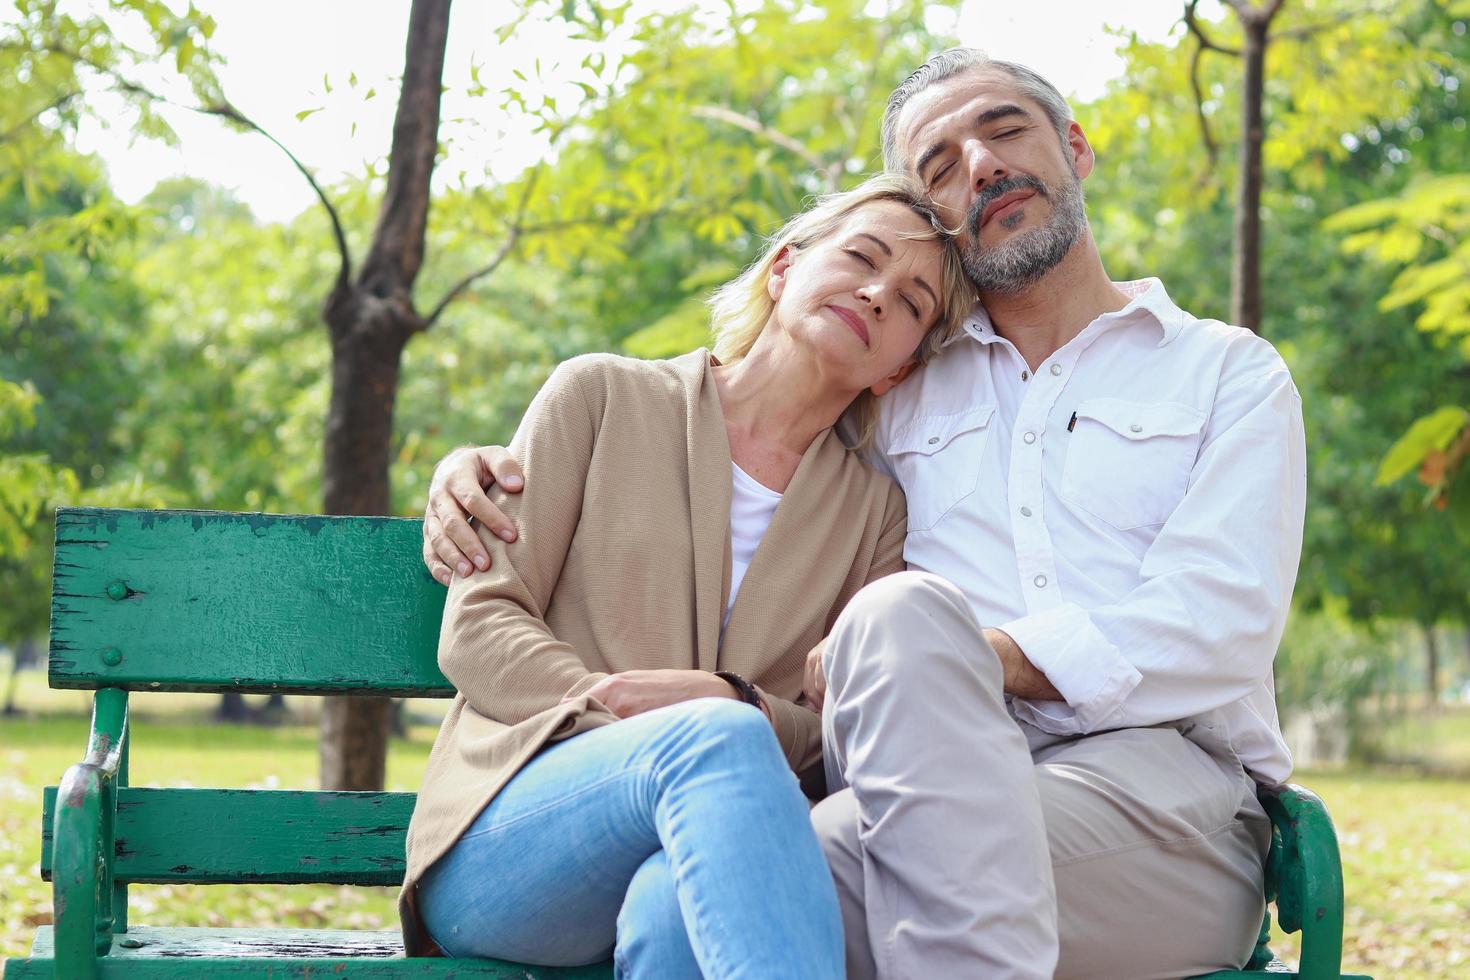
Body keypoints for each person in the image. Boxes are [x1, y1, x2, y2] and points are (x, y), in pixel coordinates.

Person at [422, 49, 1308, 980]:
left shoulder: (1226, 373)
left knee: (887, 649)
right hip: (912, 767)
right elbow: (735, 422)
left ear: (1075, 148)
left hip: (1157, 792)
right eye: (939, 166)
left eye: (1005, 130)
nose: (979, 165)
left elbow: (1221, 618)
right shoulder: (904, 402)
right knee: (677, 897)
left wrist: (985, 655)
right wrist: (467, 468)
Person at [398, 173, 975, 977]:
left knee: (677, 915)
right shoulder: (600, 396)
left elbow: (838, 731)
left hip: (707, 853)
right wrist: (635, 721)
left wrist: (740, 705)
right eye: (861, 258)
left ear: (899, 372)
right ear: (783, 269)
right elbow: (481, 622)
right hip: (513, 837)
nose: (879, 294)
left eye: (913, 302)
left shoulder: (876, 513)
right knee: (713, 741)